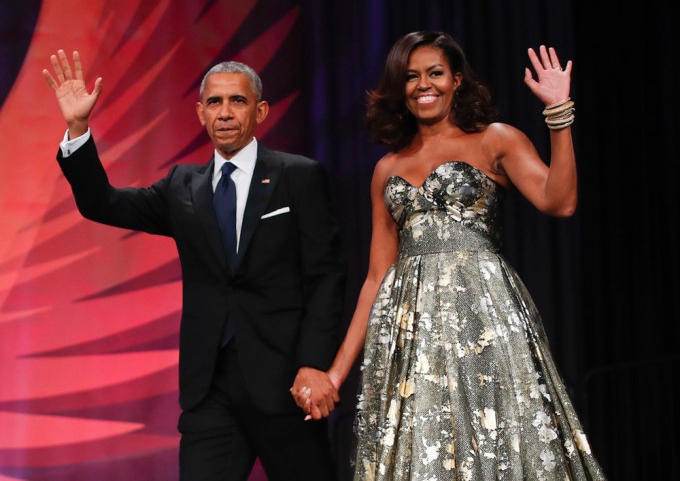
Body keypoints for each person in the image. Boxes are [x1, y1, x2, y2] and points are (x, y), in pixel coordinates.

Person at [291, 31, 606, 480]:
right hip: (409, 333)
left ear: (457, 80)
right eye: (412, 76)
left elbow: (561, 201)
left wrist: (559, 114)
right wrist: (336, 374)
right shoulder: (388, 168)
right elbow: (376, 276)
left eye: (435, 73)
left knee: (497, 443)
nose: (425, 84)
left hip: (483, 318)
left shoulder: (495, 140)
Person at [43, 50, 345, 481]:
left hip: (286, 384)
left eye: (237, 102)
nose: (225, 113)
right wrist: (77, 129)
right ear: (200, 113)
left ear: (260, 111)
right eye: (215, 103)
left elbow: (327, 276)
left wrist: (316, 363)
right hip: (210, 391)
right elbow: (101, 203)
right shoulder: (183, 186)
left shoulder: (298, 176)